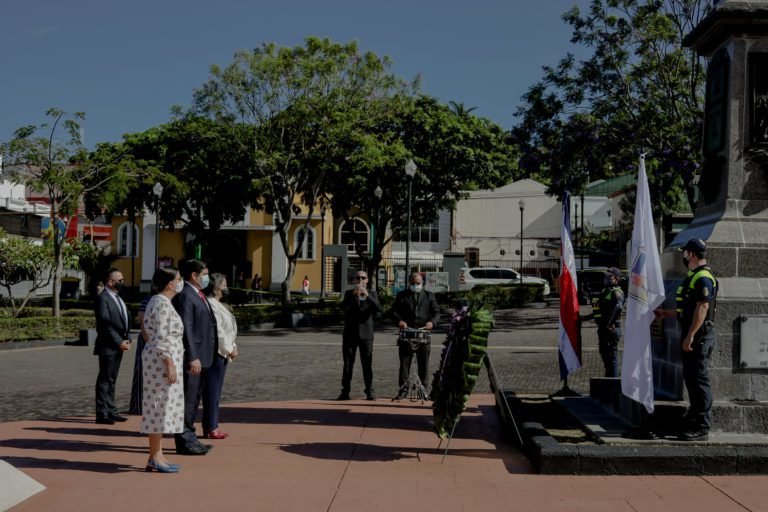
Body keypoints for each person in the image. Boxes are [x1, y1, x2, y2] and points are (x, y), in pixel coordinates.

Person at [655, 238, 717, 441]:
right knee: (691, 380)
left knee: (699, 381)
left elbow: (702, 307)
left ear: (691, 254)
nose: (683, 256)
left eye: (685, 253)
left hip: (699, 337)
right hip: (693, 335)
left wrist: (690, 336)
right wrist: (667, 313)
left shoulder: (703, 277)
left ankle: (702, 426)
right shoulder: (694, 276)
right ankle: (694, 418)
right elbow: (687, 309)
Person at [140, 266, 185, 473]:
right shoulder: (161, 304)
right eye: (178, 279)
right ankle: (154, 456)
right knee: (157, 406)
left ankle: (157, 455)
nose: (180, 282)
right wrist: (169, 364)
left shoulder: (163, 303)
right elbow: (160, 337)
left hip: (161, 360)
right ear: (170, 283)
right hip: (161, 363)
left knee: (163, 407)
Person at [172, 259, 218, 456]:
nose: (207, 277)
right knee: (188, 400)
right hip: (194, 358)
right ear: (194, 275)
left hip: (205, 356)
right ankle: (184, 440)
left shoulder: (198, 295)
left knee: (194, 400)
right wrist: (192, 356)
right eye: (205, 273)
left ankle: (191, 436)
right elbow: (187, 328)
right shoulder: (185, 296)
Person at [203, 273, 239, 439]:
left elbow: (229, 329)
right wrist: (228, 348)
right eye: (223, 284)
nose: (226, 287)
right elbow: (218, 331)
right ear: (216, 287)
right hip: (217, 353)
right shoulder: (211, 304)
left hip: (223, 351)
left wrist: (234, 345)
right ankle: (212, 426)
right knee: (212, 391)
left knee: (215, 391)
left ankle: (211, 424)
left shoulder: (219, 304)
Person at [392, 272, 440, 396]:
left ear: (422, 283)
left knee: (423, 364)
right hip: (407, 334)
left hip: (423, 333)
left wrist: (432, 322)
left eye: (418, 283)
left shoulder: (429, 296)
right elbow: (394, 312)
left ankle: (422, 390)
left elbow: (436, 313)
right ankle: (403, 389)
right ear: (409, 283)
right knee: (404, 364)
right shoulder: (402, 295)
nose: (416, 285)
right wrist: (399, 321)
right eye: (413, 283)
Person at [93, 268, 131, 425]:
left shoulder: (117, 297)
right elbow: (105, 324)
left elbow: (124, 319)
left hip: (119, 345)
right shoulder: (103, 298)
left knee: (112, 379)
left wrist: (127, 338)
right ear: (110, 282)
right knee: (105, 379)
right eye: (119, 280)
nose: (122, 283)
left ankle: (111, 410)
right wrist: (118, 341)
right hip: (108, 346)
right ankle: (102, 413)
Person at [338, 270, 382, 401]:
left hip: (366, 334)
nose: (360, 280)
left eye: (363, 278)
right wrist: (353, 295)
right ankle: (345, 391)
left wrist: (367, 296)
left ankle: (370, 390)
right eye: (357, 278)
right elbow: (342, 307)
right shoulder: (348, 293)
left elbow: (379, 308)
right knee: (347, 364)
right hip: (350, 333)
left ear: (367, 280)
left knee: (367, 363)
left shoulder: (372, 294)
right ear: (353, 281)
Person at [583, 267, 624, 377]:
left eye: (609, 276)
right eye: (606, 276)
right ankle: (608, 381)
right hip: (604, 328)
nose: (606, 278)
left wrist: (610, 324)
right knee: (605, 356)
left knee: (611, 358)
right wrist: (583, 318)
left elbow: (618, 308)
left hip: (611, 329)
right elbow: (600, 311)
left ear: (616, 278)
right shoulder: (606, 291)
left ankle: (613, 386)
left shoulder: (616, 292)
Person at [128, 294, 152, 415]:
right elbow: (141, 321)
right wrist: (147, 339)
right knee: (142, 373)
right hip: (147, 340)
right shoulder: (148, 301)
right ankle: (138, 406)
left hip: (158, 342)